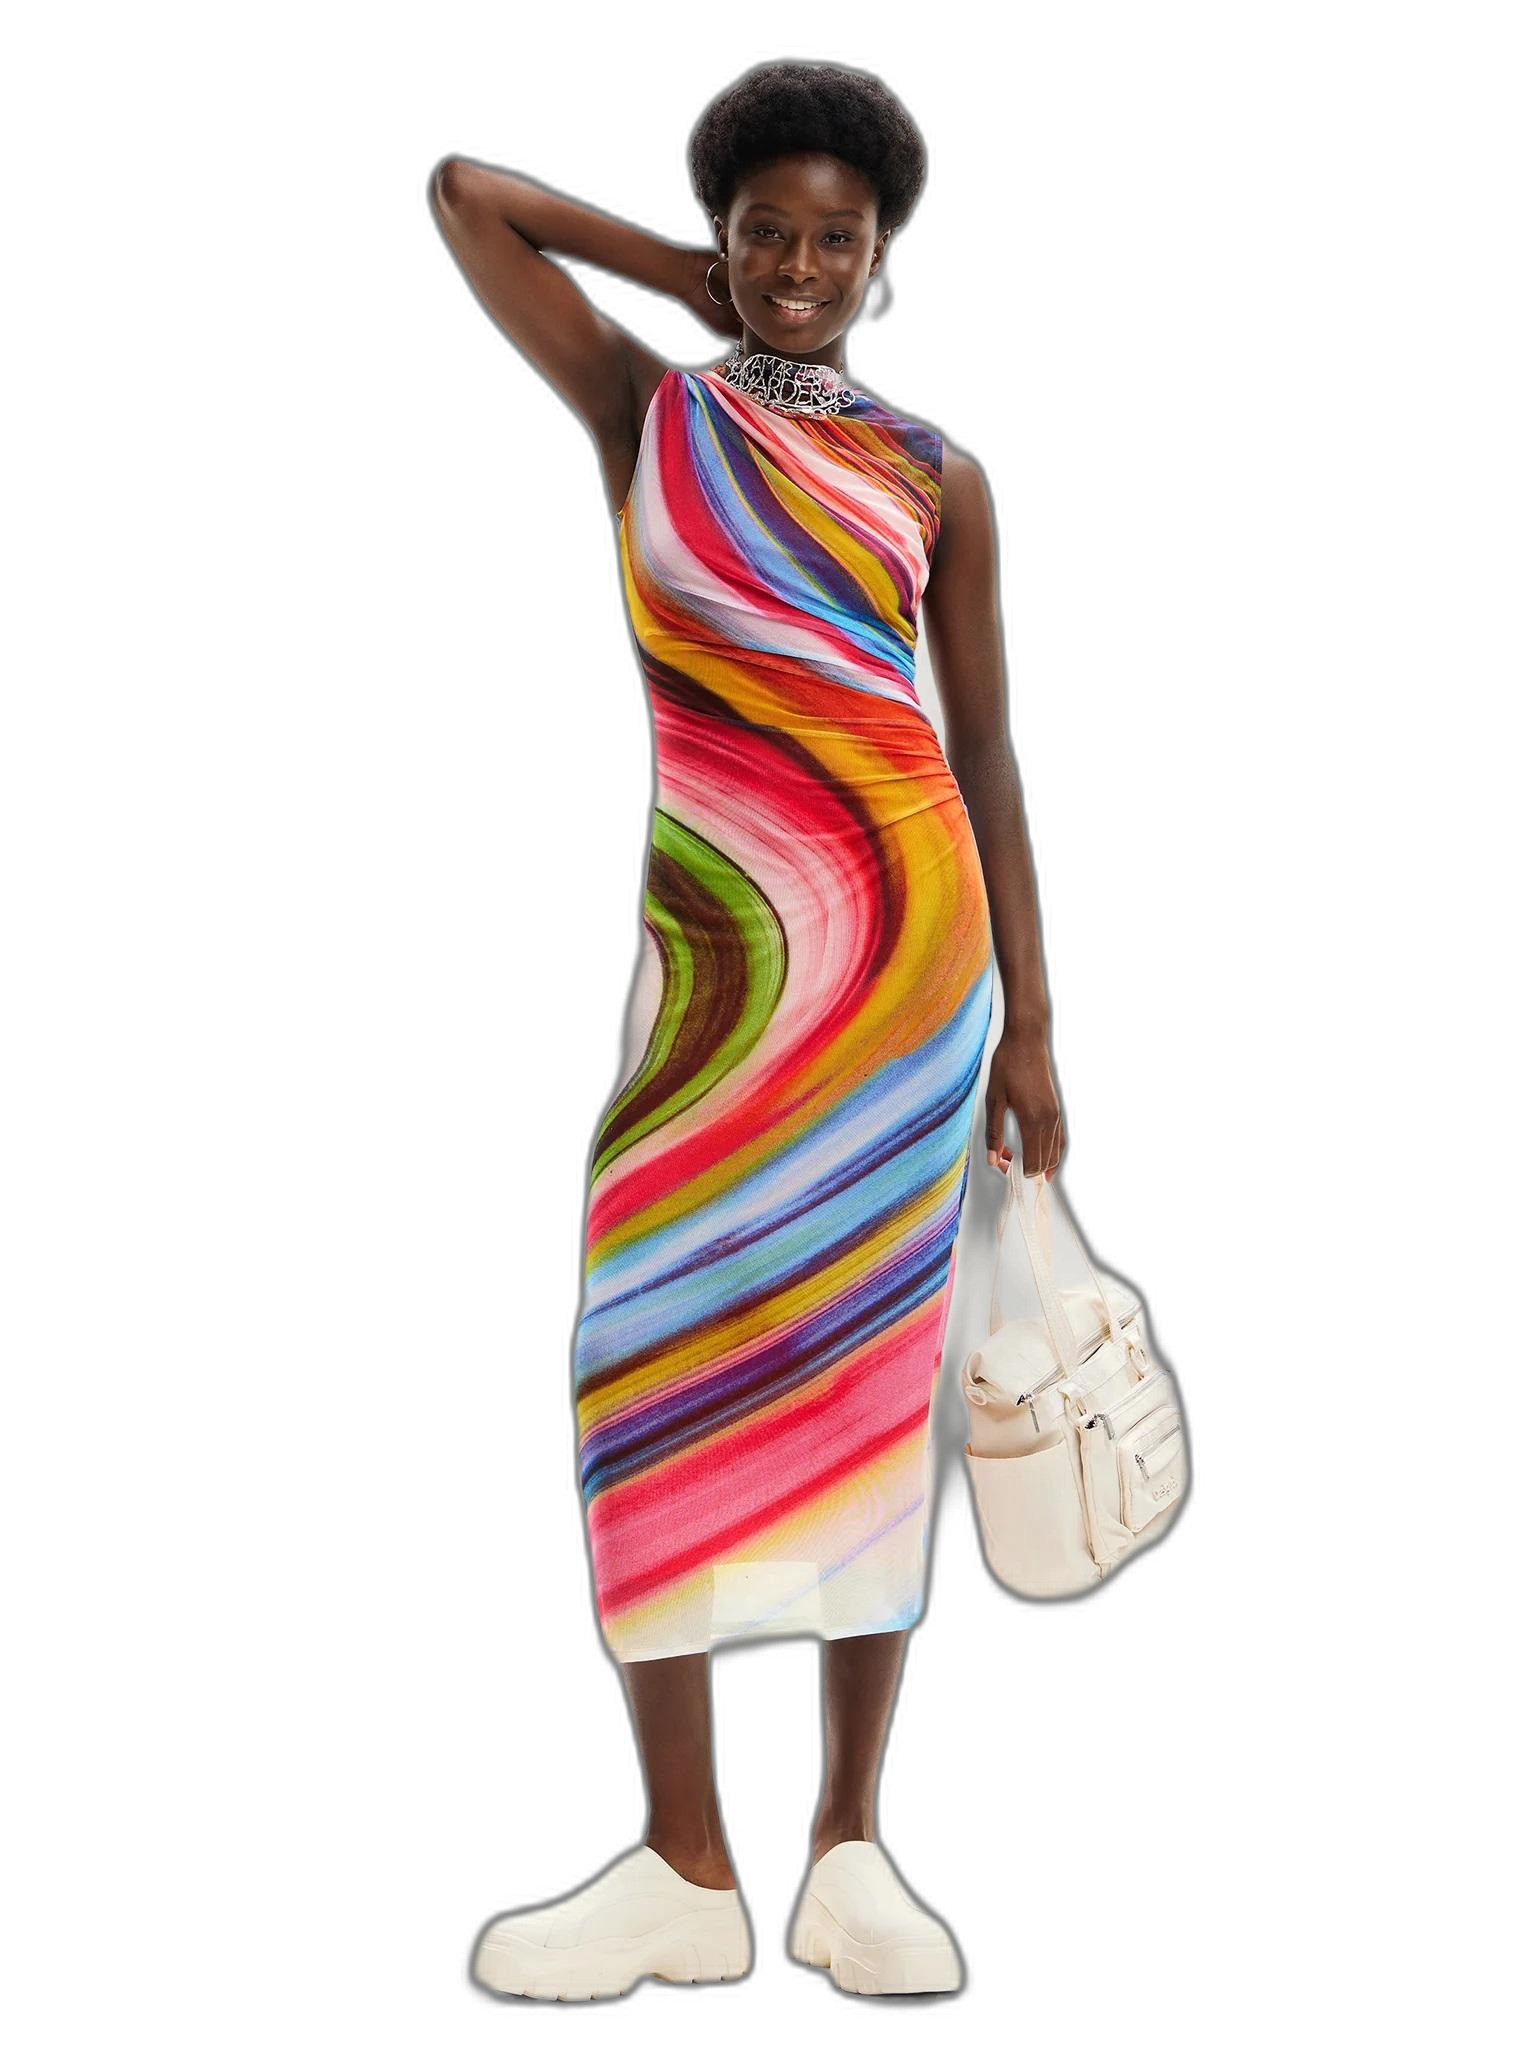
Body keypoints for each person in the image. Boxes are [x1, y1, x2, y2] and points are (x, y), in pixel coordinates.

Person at [429, 57, 1063, 2003]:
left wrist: (1036, 1026)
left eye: (833, 240)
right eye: (765, 233)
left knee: (873, 1380)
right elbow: (465, 195)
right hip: (709, 979)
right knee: (644, 1361)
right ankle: (681, 1861)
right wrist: (675, 276)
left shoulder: (937, 474)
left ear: (887, 256)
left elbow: (986, 749)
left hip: (909, 972)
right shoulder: (652, 413)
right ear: (726, 239)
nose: (798, 266)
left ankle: (848, 1846)